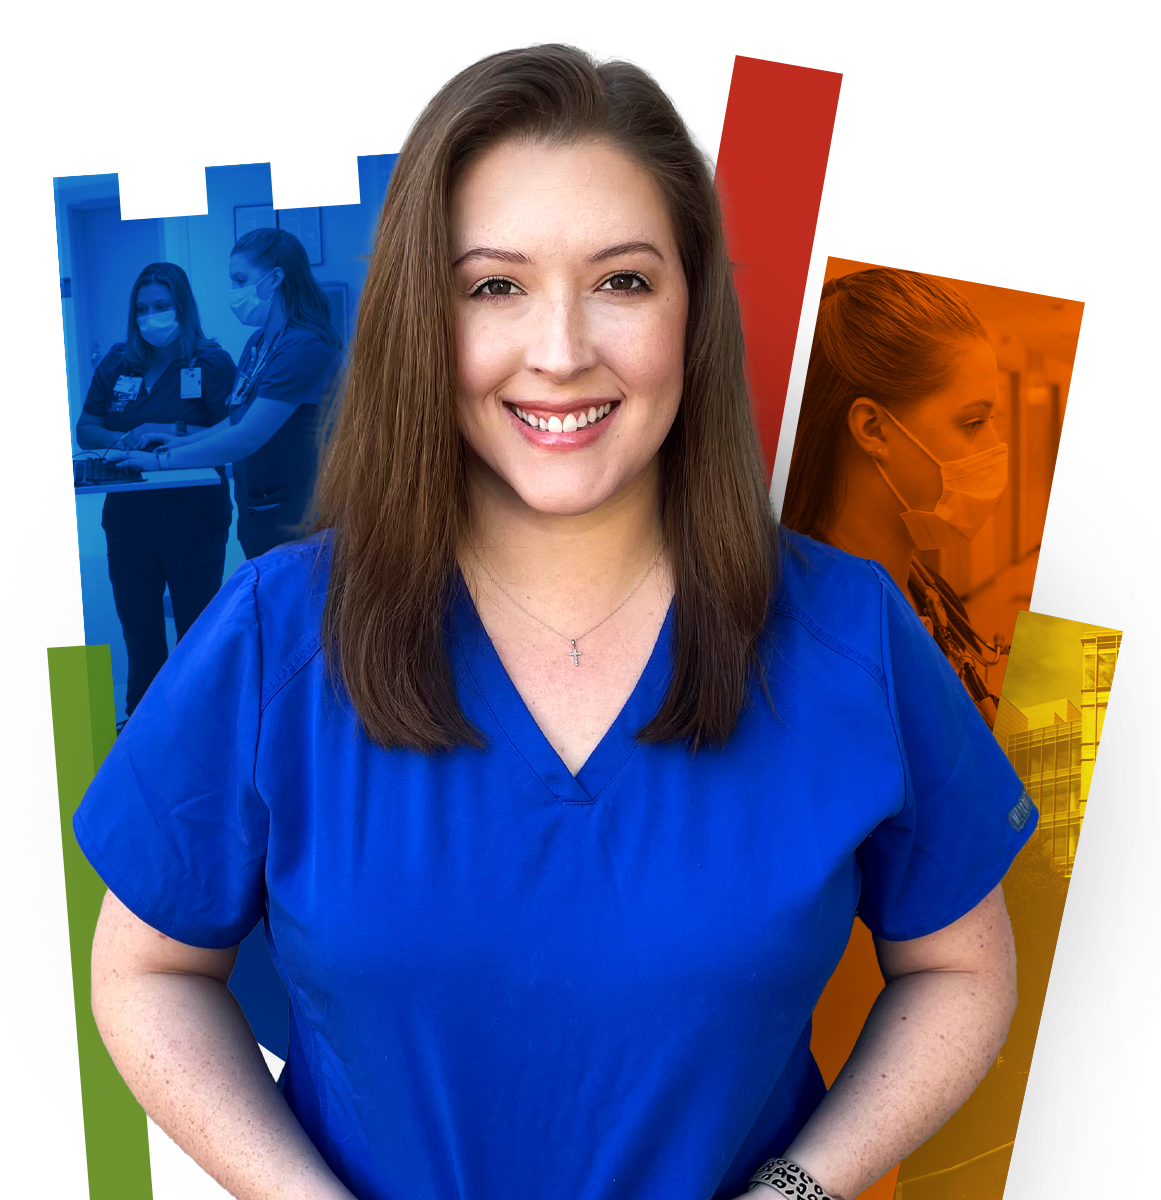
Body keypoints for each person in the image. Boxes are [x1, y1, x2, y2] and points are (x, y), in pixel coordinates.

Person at [74, 46, 1037, 1200]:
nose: (563, 350)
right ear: (423, 321)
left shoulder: (850, 635)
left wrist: (797, 1190)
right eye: (495, 286)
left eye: (623, 281)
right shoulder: (279, 635)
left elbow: (960, 968)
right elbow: (146, 972)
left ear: (696, 310)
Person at [781, 269, 1010, 727]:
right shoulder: (813, 649)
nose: (997, 446)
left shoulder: (924, 591)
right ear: (873, 429)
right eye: (972, 423)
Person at [110, 228, 343, 559]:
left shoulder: (305, 346)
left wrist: (161, 461)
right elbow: (237, 418)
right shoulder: (258, 343)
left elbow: (247, 437)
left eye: (240, 280)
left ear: (275, 278)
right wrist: (179, 442)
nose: (233, 291)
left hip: (300, 517)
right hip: (260, 509)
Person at [75, 262, 235, 718]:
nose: (152, 317)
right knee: (140, 633)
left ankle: (198, 725)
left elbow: (231, 427)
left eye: (162, 306)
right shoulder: (118, 360)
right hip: (129, 523)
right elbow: (88, 427)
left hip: (193, 519)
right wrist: (124, 441)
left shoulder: (210, 362)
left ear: (181, 306)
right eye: (143, 308)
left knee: (196, 634)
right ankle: (144, 730)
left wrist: (166, 430)